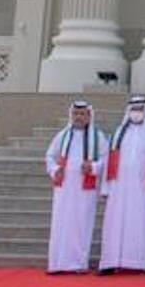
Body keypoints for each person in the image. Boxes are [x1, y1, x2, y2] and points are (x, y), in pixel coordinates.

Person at [100, 96, 145, 273]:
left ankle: (139, 263)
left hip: (142, 189)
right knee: (114, 223)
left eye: (140, 109)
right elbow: (108, 160)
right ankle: (111, 261)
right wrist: (106, 187)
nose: (136, 113)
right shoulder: (118, 134)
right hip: (118, 187)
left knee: (139, 224)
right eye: (134, 109)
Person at [45, 100, 106, 274]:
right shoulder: (62, 136)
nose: (78, 117)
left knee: (82, 224)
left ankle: (78, 264)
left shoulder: (98, 137)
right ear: (71, 115)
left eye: (82, 114)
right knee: (60, 224)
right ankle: (57, 263)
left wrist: (93, 167)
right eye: (76, 114)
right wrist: (55, 170)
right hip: (64, 188)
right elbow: (50, 156)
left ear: (89, 116)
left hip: (85, 189)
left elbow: (106, 159)